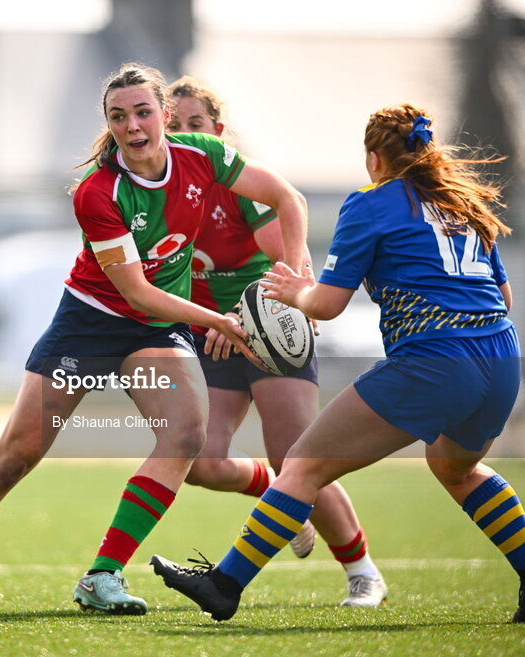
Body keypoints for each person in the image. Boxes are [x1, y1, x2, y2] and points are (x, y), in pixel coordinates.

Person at [0, 62, 308, 616]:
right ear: (109, 124)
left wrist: (298, 273)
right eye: (119, 117)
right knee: (14, 459)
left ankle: (102, 575)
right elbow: (136, 293)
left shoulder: (202, 156)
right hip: (89, 324)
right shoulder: (97, 191)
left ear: (164, 115)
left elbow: (288, 199)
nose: (133, 126)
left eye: (142, 113)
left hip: (156, 330)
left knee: (185, 436)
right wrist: (218, 320)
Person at [151, 104, 525, 624]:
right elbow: (502, 297)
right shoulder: (461, 205)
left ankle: (224, 585)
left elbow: (327, 305)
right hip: (503, 359)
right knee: (454, 467)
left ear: (373, 159)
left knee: (301, 467)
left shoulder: (370, 204)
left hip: (435, 360)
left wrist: (297, 292)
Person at [165, 76, 387, 606]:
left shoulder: (237, 185)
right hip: (214, 336)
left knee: (298, 458)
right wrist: (211, 321)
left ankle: (363, 572)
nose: (184, 134)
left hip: (270, 331)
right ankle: (279, 496)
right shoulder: (154, 194)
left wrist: (264, 307)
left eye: (195, 124)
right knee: (202, 462)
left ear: (218, 132)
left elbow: (280, 262)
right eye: (174, 125)